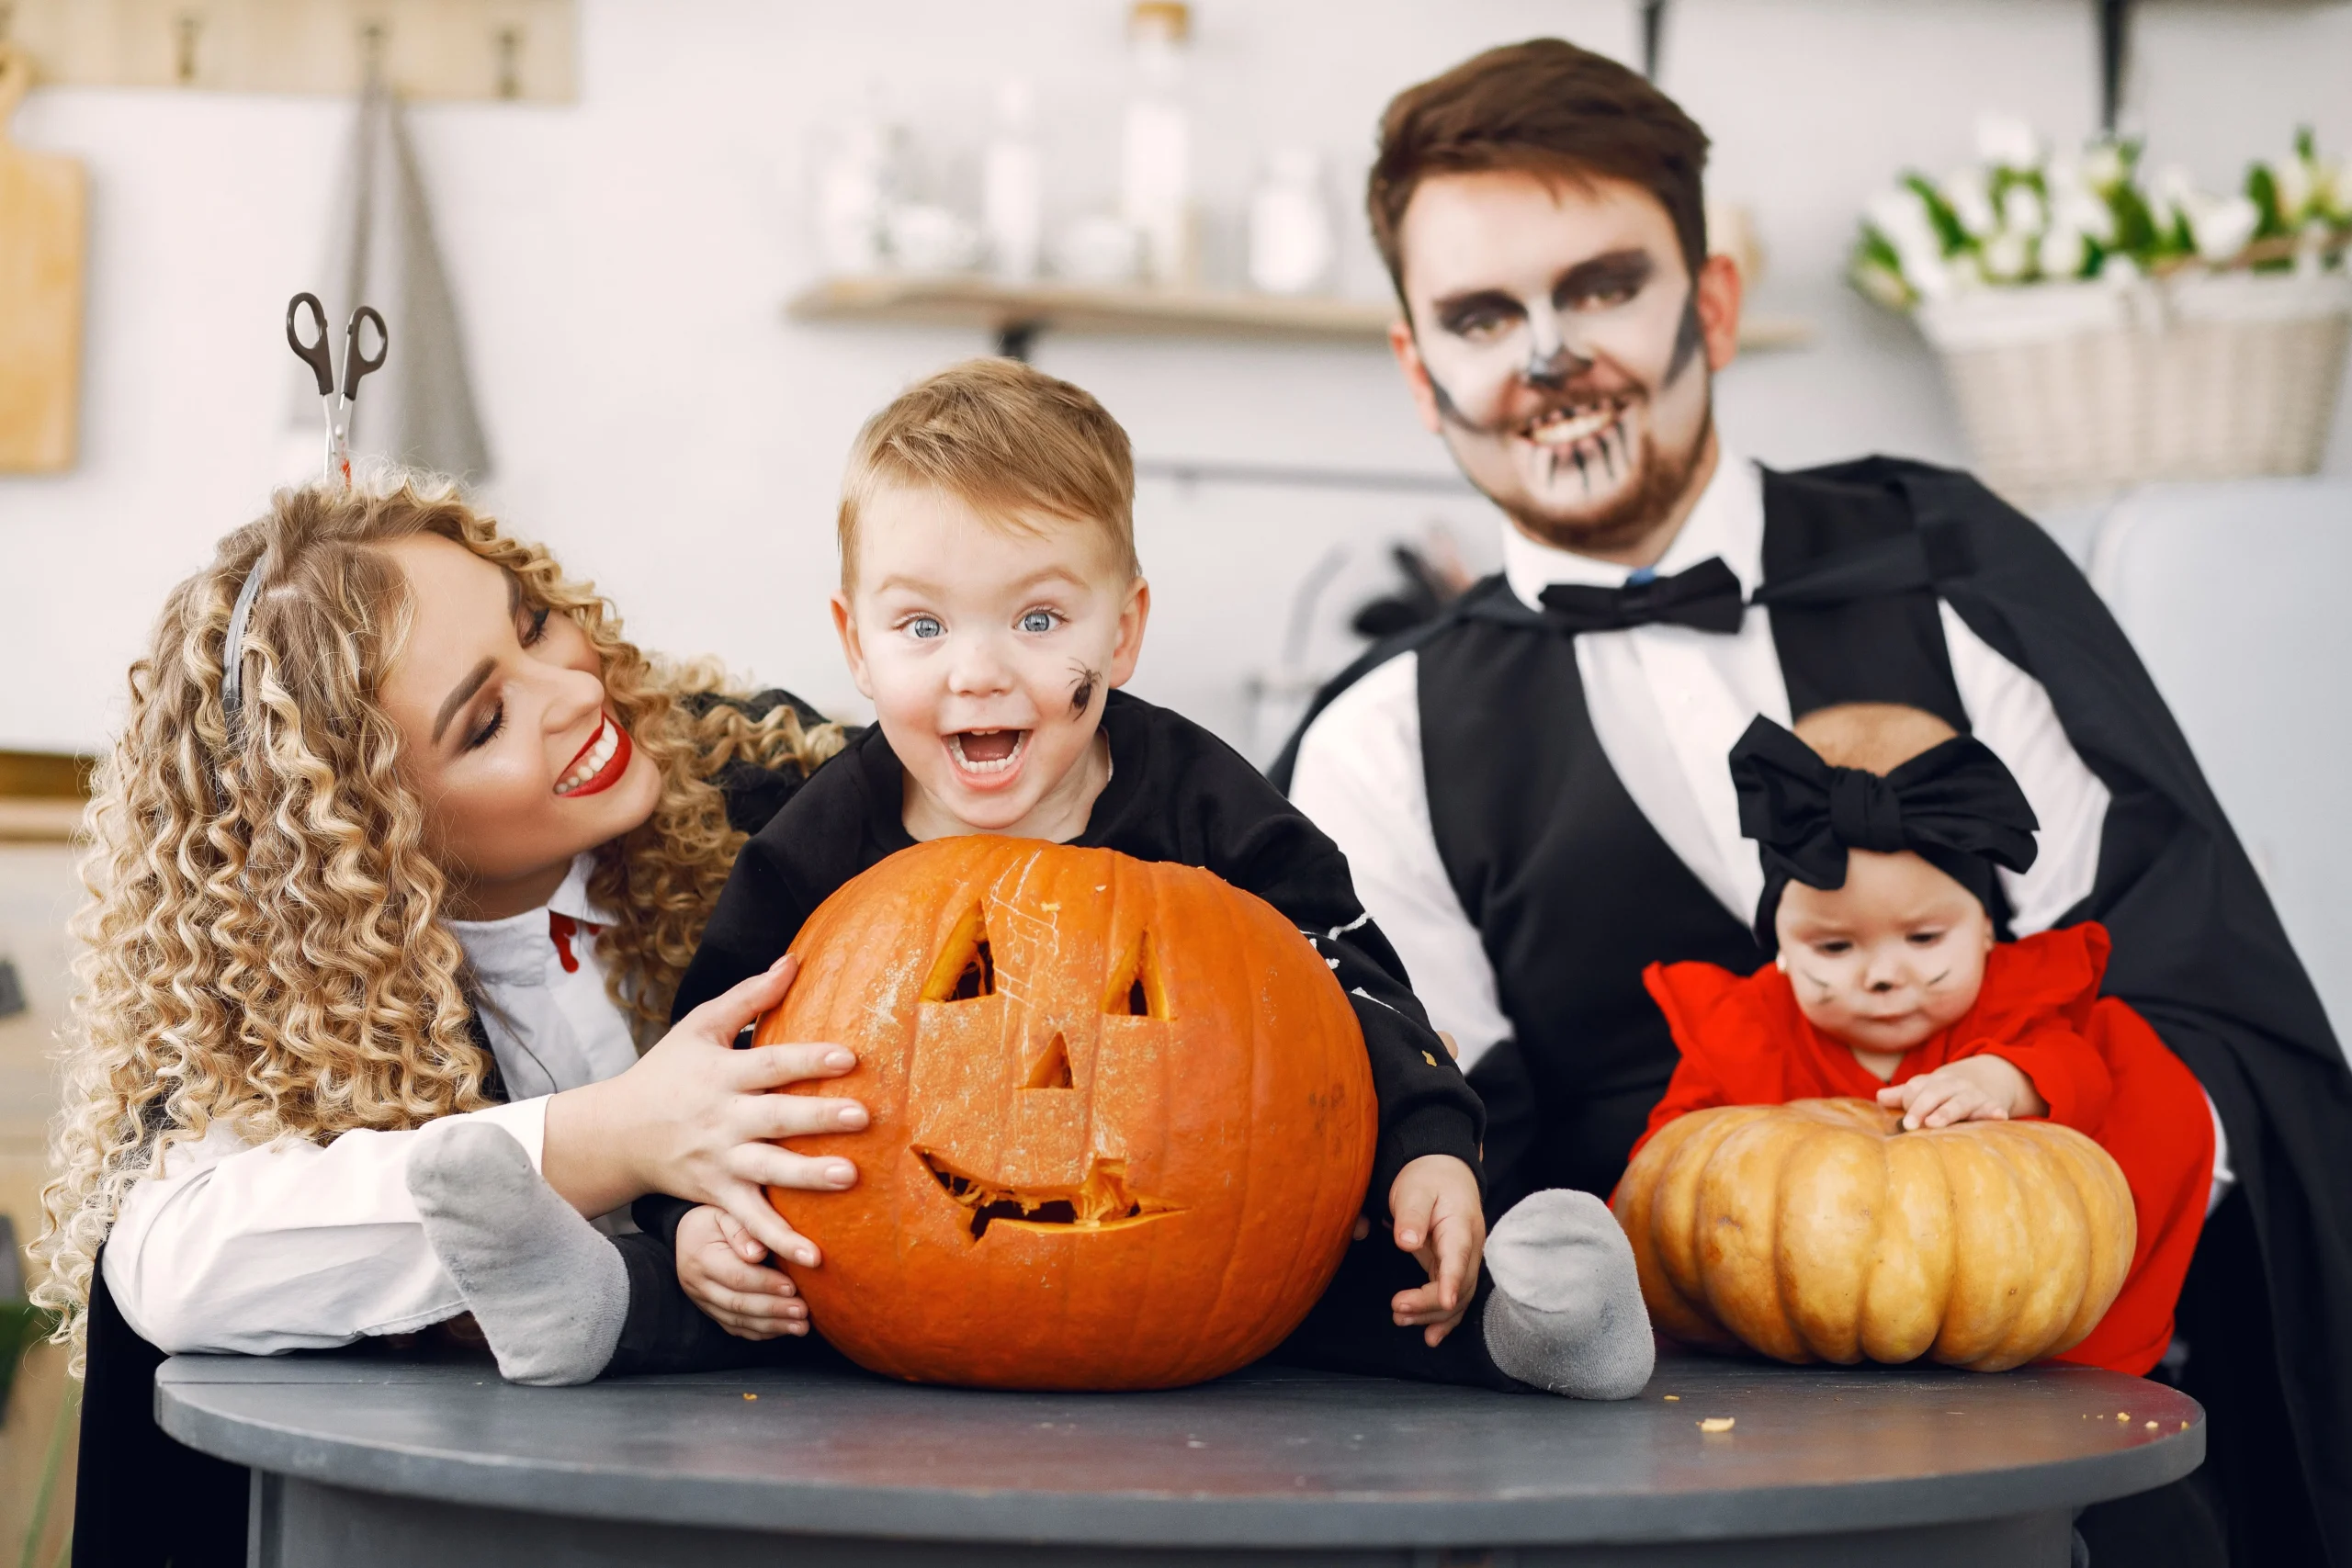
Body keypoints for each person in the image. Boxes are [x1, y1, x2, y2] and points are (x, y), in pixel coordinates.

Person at [1275, 39, 2350, 1567]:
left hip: (2062, 1449)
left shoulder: (1952, 574)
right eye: (1482, 314)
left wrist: (2029, 1180)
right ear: (1419, 365)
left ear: (1708, 300)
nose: (1546, 355)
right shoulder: (1379, 740)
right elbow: (1420, 1166)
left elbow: (2200, 1014)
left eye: (1600, 287)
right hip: (1625, 1494)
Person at [615, 356, 1649, 1399]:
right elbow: (707, 1048)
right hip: (863, 1272)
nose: (977, 671)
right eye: (922, 626)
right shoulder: (826, 835)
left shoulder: (1205, 799)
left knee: (1374, 1276)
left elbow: (1349, 966)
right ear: (857, 645)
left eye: (1037, 621)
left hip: (1201, 1253)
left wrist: (1428, 1138)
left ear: (1121, 632)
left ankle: (1532, 1334)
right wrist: (689, 1213)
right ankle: (596, 1301)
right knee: (737, 1287)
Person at [32, 473, 867, 1568]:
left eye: (534, 624)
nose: (572, 692)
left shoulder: (761, 787)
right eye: (486, 721)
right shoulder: (304, 1023)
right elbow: (175, 1264)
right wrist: (613, 1137)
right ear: (368, 833)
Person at [1636, 704, 2213, 1377]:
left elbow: (2078, 1074)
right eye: (1834, 945)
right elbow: (1672, 1169)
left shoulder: (2008, 1010)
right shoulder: (1748, 1031)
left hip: (1985, 1316)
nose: (1883, 974)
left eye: (1923, 938)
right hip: (1790, 1351)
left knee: (2143, 1076)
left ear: (1988, 930)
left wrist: (2003, 1081)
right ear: (1782, 947)